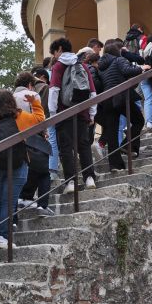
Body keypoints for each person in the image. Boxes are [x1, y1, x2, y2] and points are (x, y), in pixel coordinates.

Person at [0, 89, 45, 248]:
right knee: (10, 201)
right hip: (17, 165)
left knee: (0, 202)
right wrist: (35, 103)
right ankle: (2, 236)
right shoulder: (20, 117)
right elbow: (40, 120)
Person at [47, 37, 98, 194]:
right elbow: (92, 92)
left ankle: (71, 183)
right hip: (82, 112)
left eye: (54, 52)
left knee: (66, 148)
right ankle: (89, 178)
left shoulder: (58, 66)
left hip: (64, 114)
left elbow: (54, 90)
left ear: (60, 49)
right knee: (84, 145)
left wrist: (53, 114)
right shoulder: (82, 65)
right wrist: (92, 114)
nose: (54, 56)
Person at [96, 42, 145, 171]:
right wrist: (142, 68)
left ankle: (115, 165)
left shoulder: (101, 66)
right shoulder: (119, 59)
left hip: (107, 101)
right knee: (139, 120)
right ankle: (127, 144)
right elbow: (127, 71)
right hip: (121, 97)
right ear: (116, 51)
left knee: (112, 133)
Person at [13, 72, 54, 216]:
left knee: (26, 170)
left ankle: (24, 197)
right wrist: (44, 132)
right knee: (44, 173)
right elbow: (39, 118)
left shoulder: (10, 98)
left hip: (16, 140)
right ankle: (42, 206)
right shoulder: (32, 95)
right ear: (30, 84)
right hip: (34, 139)